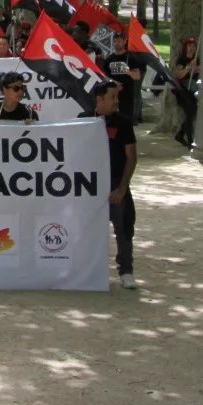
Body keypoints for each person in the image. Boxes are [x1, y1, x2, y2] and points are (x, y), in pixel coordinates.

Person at [80, 79, 137, 289]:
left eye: (117, 97)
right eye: (112, 97)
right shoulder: (83, 119)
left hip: (115, 185)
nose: (116, 101)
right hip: (89, 186)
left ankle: (126, 270)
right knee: (87, 229)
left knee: (123, 228)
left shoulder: (123, 122)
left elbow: (131, 158)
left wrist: (121, 188)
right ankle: (86, 270)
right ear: (99, 99)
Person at [173, 38, 200, 148]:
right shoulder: (182, 59)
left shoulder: (196, 59)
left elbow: (200, 73)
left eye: (193, 46)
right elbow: (179, 75)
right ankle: (190, 141)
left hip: (193, 89)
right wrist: (188, 68)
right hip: (183, 89)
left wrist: (198, 68)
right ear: (186, 47)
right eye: (190, 46)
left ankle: (180, 134)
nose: (192, 48)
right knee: (189, 113)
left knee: (191, 113)